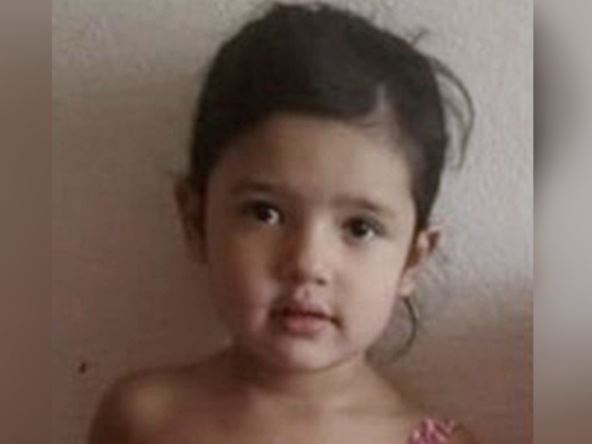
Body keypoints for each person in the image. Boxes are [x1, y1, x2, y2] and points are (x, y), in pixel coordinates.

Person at [89, 2, 477, 443]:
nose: (307, 262)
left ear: (412, 259)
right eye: (265, 213)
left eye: (359, 228)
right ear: (195, 221)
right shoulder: (143, 418)